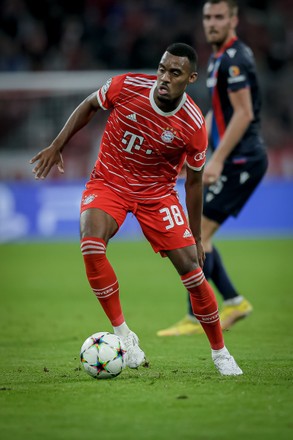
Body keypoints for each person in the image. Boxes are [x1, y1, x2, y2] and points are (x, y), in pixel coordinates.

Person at [30, 42, 242, 375]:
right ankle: (124, 337)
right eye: (162, 68)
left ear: (190, 78)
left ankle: (220, 353)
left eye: (175, 73)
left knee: (192, 271)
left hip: (156, 195)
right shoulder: (127, 86)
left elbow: (194, 182)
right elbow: (88, 105)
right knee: (90, 244)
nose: (164, 77)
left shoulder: (193, 124)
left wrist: (197, 237)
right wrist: (57, 145)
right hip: (109, 181)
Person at [157, 1, 268, 337]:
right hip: (231, 158)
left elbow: (244, 113)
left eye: (220, 17)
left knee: (197, 235)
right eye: (207, 16)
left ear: (234, 19)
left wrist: (217, 159)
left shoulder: (234, 59)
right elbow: (215, 116)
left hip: (241, 160)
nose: (212, 23)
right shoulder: (219, 58)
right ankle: (231, 301)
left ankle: (203, 313)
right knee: (199, 235)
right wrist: (194, 152)